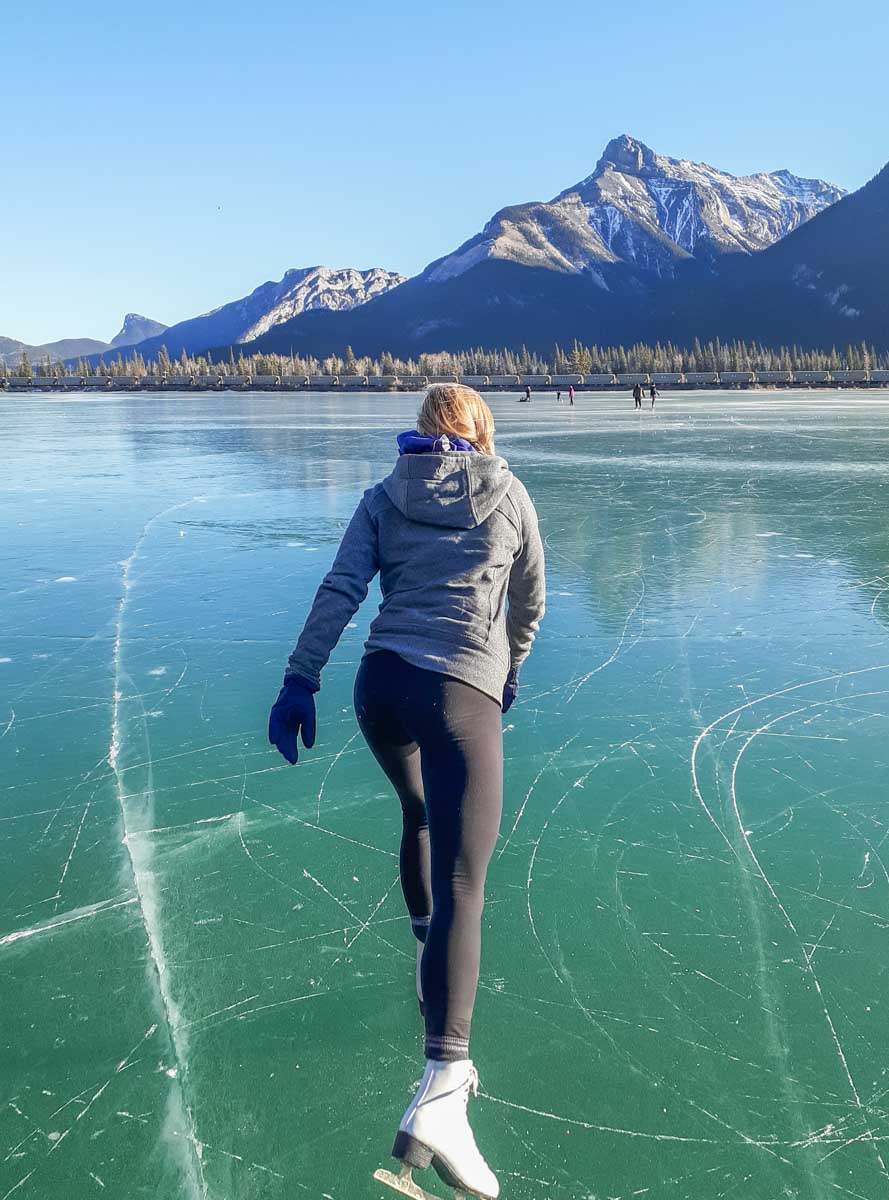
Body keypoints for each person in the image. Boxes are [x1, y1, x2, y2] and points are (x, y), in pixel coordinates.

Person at [268, 385, 546, 1200]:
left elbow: (341, 590)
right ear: (482, 433)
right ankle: (445, 1090)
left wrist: (299, 679)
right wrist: (509, 671)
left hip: (381, 687)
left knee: (420, 813)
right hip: (460, 693)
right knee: (468, 881)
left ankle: (429, 952)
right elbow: (528, 603)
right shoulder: (511, 493)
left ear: (423, 433)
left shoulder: (383, 495)